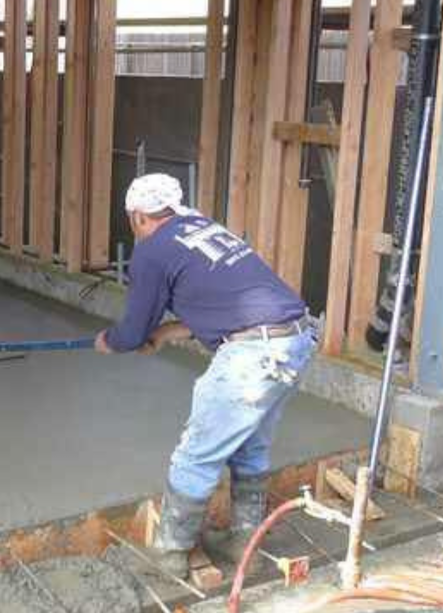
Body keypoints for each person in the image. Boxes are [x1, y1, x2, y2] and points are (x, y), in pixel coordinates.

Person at [94, 173, 316, 578]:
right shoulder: (201, 227)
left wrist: (111, 340)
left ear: (138, 216)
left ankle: (170, 553)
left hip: (253, 355)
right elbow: (220, 305)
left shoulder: (151, 250)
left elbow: (131, 330)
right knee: (250, 445)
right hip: (295, 339)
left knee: (197, 453)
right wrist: (164, 333)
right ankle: (243, 543)